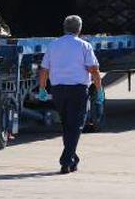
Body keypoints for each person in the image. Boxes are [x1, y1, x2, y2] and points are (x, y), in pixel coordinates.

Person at [38, 15, 104, 174]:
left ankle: (73, 158)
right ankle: (66, 161)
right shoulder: (84, 46)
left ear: (64, 28)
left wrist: (42, 88)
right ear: (79, 29)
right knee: (75, 125)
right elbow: (93, 69)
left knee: (67, 124)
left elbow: (44, 69)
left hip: (58, 90)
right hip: (77, 90)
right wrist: (99, 89)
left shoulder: (53, 45)